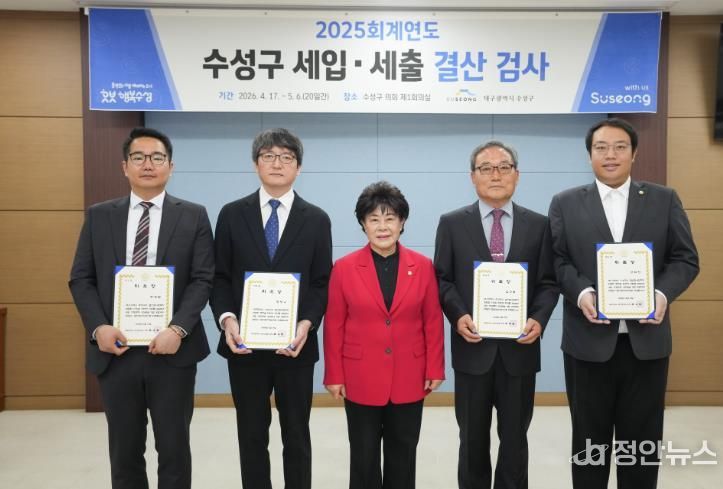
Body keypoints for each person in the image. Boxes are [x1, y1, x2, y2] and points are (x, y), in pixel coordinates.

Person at [548, 118, 699, 489]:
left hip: (646, 343)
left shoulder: (664, 199)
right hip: (586, 344)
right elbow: (556, 261)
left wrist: (660, 295)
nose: (610, 155)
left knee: (641, 443)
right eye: (601, 148)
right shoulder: (565, 203)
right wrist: (582, 294)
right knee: (589, 442)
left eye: (619, 147)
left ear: (634, 153)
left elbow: (685, 259)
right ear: (589, 155)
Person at [69, 127, 214, 489]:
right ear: (125, 166)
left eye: (157, 157)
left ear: (170, 166)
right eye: (139, 157)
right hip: (116, 352)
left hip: (173, 352)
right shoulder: (99, 216)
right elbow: (81, 278)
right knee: (124, 451)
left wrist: (178, 329)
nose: (148, 164)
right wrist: (98, 327)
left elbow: (202, 279)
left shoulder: (194, 216)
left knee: (174, 449)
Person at [210, 128, 333, 489]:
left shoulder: (317, 219)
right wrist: (227, 320)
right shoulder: (232, 214)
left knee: (297, 434)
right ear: (255, 164)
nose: (277, 163)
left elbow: (321, 282)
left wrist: (307, 323)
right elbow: (219, 277)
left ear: (298, 167)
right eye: (269, 156)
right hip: (244, 346)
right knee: (251, 434)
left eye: (287, 157)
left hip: (295, 345)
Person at [434, 141, 559, 489]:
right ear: (472, 176)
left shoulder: (540, 225)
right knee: (472, 440)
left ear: (517, 175)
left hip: (520, 351)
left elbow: (549, 282)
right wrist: (458, 315)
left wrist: (539, 318)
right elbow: (442, 279)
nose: (495, 175)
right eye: (486, 168)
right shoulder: (452, 223)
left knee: (515, 441)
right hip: (472, 351)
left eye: (504, 167)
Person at [324, 181, 445, 489]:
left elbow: (432, 320)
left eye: (390, 218)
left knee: (403, 455)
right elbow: (334, 324)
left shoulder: (423, 266)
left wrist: (435, 368)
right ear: (363, 224)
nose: (382, 227)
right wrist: (334, 374)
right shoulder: (344, 268)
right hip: (360, 375)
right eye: (373, 219)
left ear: (402, 222)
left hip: (410, 374)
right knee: (363, 457)